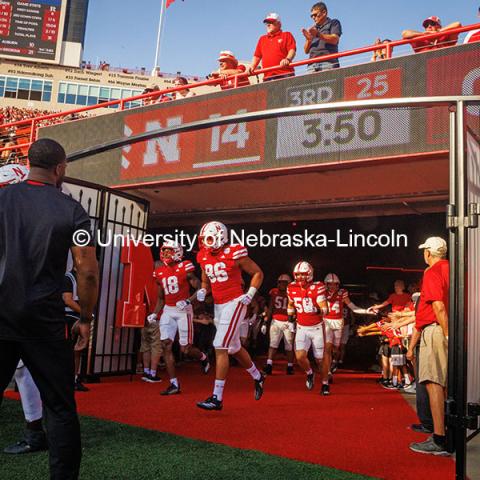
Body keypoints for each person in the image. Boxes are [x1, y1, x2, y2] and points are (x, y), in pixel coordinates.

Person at [0, 138, 99, 479]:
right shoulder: (72, 209)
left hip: (1, 315)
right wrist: (85, 318)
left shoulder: (2, 198)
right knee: (59, 407)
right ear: (60, 169)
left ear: (29, 163)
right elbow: (86, 270)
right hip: (45, 320)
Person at [195, 221, 265, 410]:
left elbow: (258, 273)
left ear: (220, 236)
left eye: (208, 238)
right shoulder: (203, 255)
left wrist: (250, 294)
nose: (205, 243)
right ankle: (258, 377)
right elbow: (205, 277)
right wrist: (203, 289)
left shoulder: (234, 252)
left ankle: (217, 398)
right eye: (203, 239)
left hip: (235, 302)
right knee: (234, 347)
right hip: (219, 305)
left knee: (220, 345)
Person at [150, 240, 210, 395]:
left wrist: (188, 300)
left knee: (185, 349)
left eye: (168, 251)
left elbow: (200, 288)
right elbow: (161, 298)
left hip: (184, 310)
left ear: (177, 252)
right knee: (166, 344)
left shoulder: (185, 267)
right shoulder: (160, 272)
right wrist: (155, 313)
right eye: (164, 251)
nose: (164, 254)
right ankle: (174, 383)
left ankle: (203, 357)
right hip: (168, 310)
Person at [408, 237, 449, 456]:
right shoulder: (452, 268)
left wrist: (446, 333)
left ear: (429, 253)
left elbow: (439, 307)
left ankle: (439, 438)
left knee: (434, 383)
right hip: (444, 328)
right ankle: (445, 433)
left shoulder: (432, 272)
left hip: (435, 330)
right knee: (444, 384)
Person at [287, 261, 330, 395]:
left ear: (309, 274)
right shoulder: (291, 287)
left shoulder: (318, 287)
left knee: (320, 359)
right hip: (301, 327)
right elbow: (290, 305)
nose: (299, 277)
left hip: (316, 328)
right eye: (297, 274)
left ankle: (325, 383)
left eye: (303, 274)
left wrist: (315, 309)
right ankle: (309, 373)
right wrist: (290, 320)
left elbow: (325, 309)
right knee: (299, 357)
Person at [323, 273, 374, 380]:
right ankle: (327, 372)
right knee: (327, 348)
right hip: (326, 321)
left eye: (335, 284)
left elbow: (352, 307)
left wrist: (366, 311)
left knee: (336, 348)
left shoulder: (342, 293)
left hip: (338, 322)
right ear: (326, 284)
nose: (332, 286)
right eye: (330, 284)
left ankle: (334, 362)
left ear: (338, 285)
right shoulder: (321, 293)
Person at [248, 13, 296, 82]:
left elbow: (292, 50)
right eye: (267, 23)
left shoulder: (286, 35)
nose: (268, 24)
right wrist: (252, 66)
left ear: (279, 24)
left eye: (271, 22)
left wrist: (287, 59)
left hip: (285, 74)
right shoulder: (262, 39)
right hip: (267, 77)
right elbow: (257, 56)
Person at [262, 274, 295, 375]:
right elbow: (271, 307)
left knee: (289, 346)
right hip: (276, 321)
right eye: (280, 282)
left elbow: (297, 309)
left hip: (288, 322)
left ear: (288, 284)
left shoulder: (293, 293)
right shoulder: (274, 292)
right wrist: (265, 321)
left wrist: (293, 321)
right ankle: (269, 365)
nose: (281, 284)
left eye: (284, 283)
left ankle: (290, 366)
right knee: (273, 344)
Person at [63, 268, 90, 392]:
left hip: (80, 317)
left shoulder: (85, 278)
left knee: (77, 350)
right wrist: (85, 314)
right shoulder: (69, 277)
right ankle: (64, 380)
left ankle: (73, 379)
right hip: (69, 317)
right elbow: (67, 300)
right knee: (67, 350)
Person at [302, 2, 342, 72]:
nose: (313, 17)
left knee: (329, 83)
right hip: (311, 65)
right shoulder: (313, 29)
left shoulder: (334, 22)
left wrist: (318, 34)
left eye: (315, 15)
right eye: (311, 16)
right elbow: (306, 51)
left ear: (324, 13)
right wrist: (308, 40)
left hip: (328, 63)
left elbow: (335, 39)